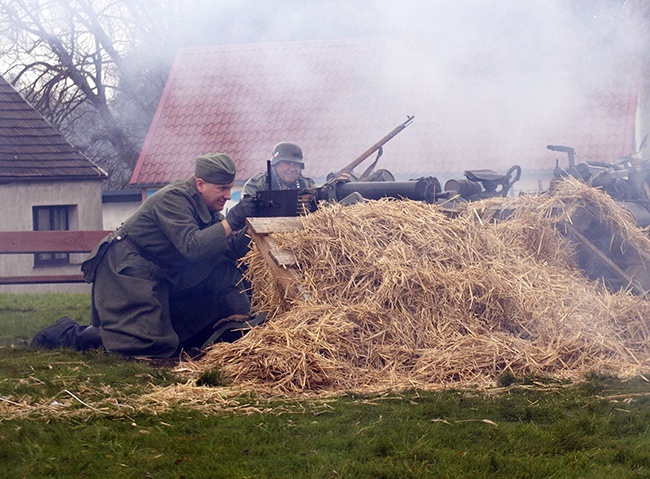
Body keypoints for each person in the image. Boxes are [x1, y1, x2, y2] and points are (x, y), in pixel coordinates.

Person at [30, 153, 259, 358]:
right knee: (141, 344)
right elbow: (193, 247)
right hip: (125, 270)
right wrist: (232, 221)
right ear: (200, 184)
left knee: (170, 339)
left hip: (153, 273)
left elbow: (222, 247)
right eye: (222, 189)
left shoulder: (206, 207)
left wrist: (252, 225)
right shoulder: (173, 199)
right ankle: (67, 334)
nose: (228, 196)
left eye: (230, 188)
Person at [241, 142, 315, 197]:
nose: (292, 169)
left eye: (296, 165)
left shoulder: (307, 185)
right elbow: (247, 212)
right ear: (275, 165)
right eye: (287, 163)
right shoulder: (257, 185)